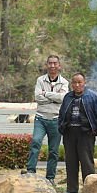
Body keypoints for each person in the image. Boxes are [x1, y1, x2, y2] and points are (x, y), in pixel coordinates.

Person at [57, 73, 97, 193]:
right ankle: (72, 190)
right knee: (71, 162)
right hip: (69, 133)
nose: (77, 85)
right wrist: (61, 127)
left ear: (84, 83)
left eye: (79, 82)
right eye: (74, 82)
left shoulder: (92, 96)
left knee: (86, 163)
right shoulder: (68, 97)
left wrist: (96, 130)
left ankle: (90, 190)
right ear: (71, 84)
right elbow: (61, 114)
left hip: (85, 134)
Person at [25, 55, 68, 185]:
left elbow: (63, 98)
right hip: (41, 118)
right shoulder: (40, 80)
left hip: (56, 119)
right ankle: (30, 171)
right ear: (47, 65)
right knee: (36, 142)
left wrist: (46, 94)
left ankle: (50, 177)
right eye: (50, 63)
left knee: (53, 150)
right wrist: (54, 97)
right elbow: (38, 98)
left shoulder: (64, 82)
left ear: (59, 65)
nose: (52, 66)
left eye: (55, 63)